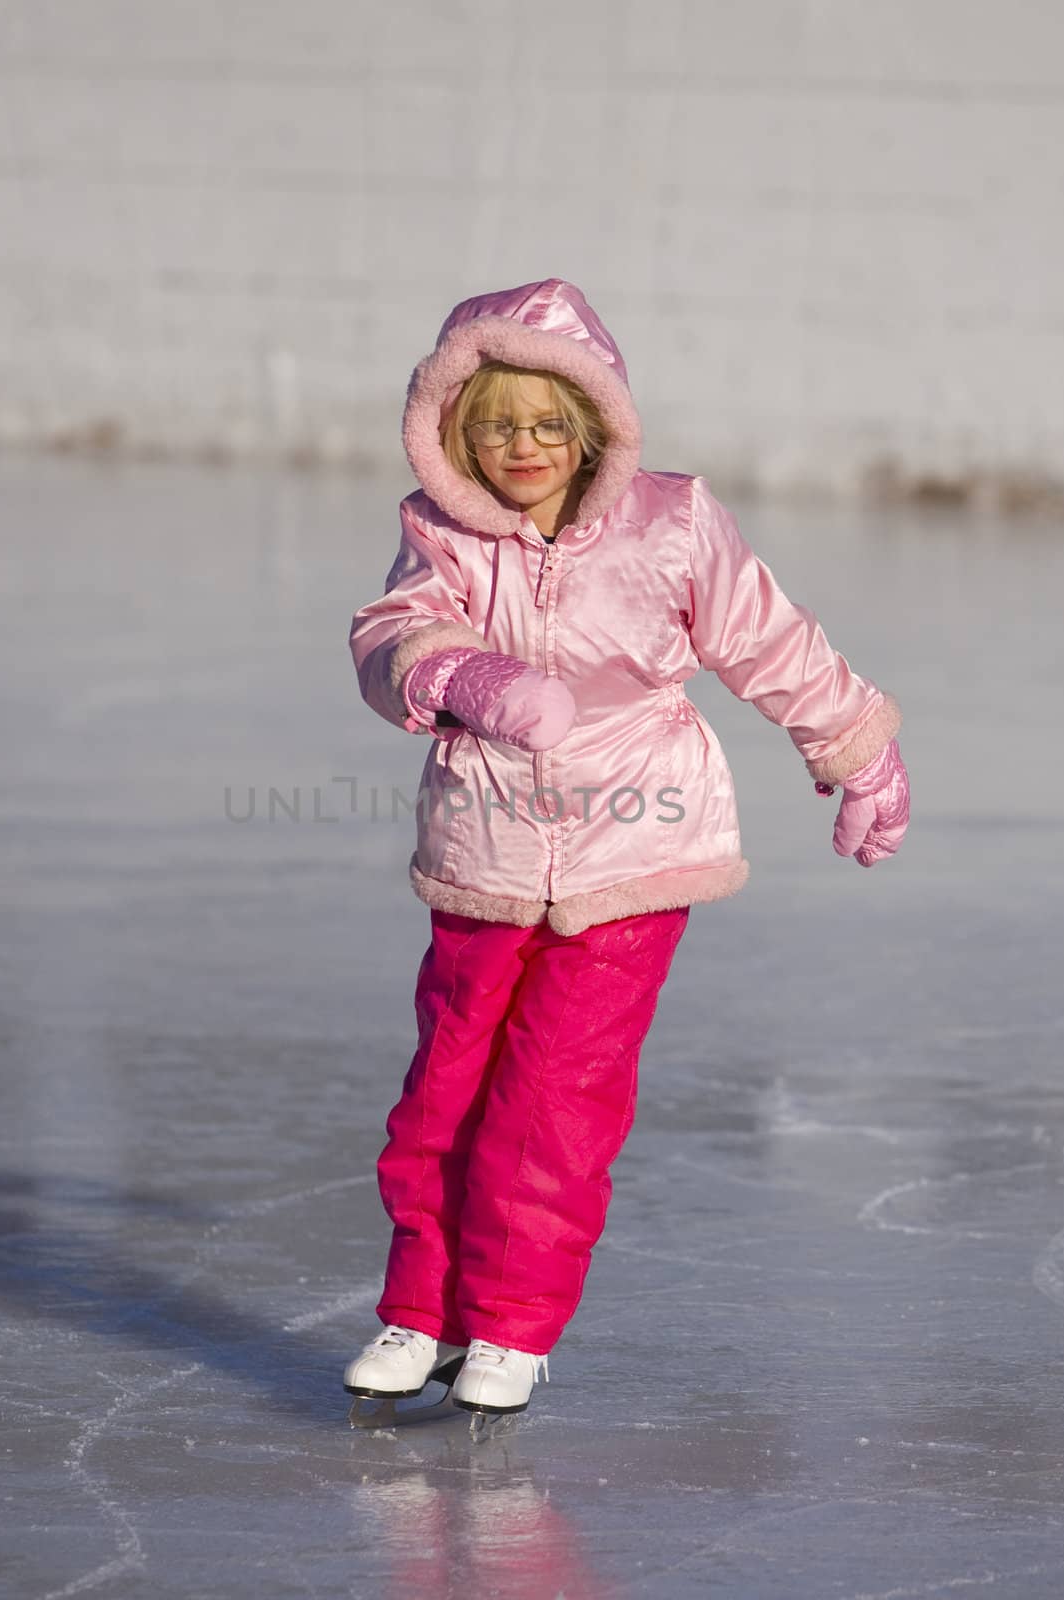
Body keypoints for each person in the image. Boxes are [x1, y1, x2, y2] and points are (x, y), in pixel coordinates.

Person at [343, 279, 910, 1423]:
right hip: (488, 848)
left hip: (637, 853)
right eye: (497, 423)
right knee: (443, 1094)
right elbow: (390, 636)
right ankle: (421, 1310)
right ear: (454, 428)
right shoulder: (439, 529)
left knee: (556, 1098)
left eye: (551, 423)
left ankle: (509, 1326)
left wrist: (857, 753)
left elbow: (770, 641)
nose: (525, 447)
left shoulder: (673, 523)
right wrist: (469, 676)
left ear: (595, 423)